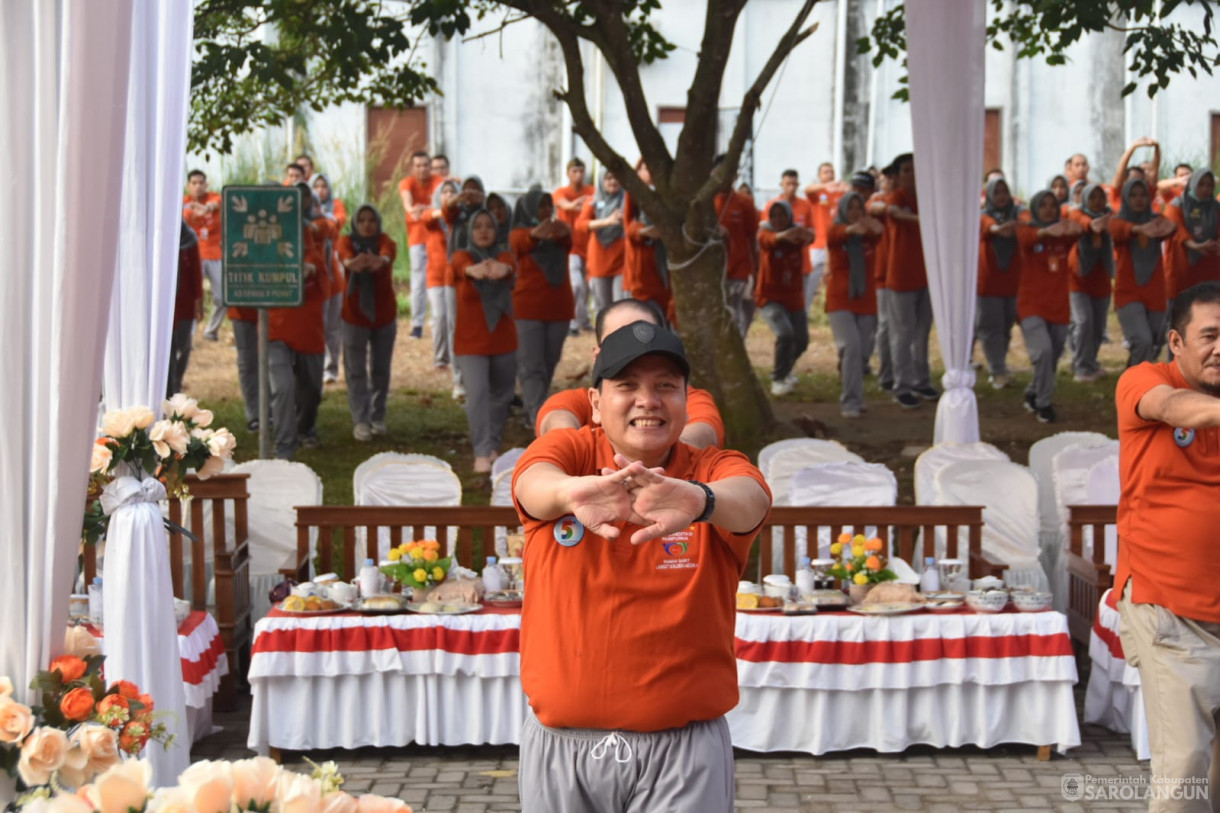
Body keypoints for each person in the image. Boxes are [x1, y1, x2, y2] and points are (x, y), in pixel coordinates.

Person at [511, 320, 771, 813]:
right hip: (563, 746)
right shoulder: (570, 453)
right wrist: (571, 492)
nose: (647, 400)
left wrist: (700, 500)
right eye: (627, 385)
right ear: (593, 403)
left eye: (664, 386)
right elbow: (533, 482)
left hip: (683, 750)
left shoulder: (714, 467)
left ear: (686, 398)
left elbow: (752, 500)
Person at [1114, 281, 1220, 809]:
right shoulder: (1143, 380)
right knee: (1185, 772)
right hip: (1169, 610)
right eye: (1210, 336)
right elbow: (1177, 407)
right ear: (1176, 341)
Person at [536, 298, 724, 449]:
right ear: (597, 355)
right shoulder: (577, 402)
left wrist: (659, 456)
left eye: (644, 339)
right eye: (618, 343)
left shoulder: (690, 399)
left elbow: (705, 431)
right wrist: (571, 451)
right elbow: (555, 423)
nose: (647, 401)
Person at [267, 184, 331, 459]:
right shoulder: (262, 242)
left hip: (308, 327)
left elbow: (321, 272)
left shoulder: (309, 238)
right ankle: (284, 447)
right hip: (274, 328)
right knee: (283, 387)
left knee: (312, 389)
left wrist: (311, 269)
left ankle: (305, 429)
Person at [452, 209, 517, 473]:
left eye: (488, 226)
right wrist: (474, 269)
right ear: (470, 231)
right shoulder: (461, 256)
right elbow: (460, 268)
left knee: (502, 395)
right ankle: (481, 451)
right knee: (477, 394)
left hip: (503, 339)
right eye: (477, 226)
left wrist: (498, 268)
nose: (483, 231)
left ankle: (492, 444)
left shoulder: (504, 254)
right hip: (470, 343)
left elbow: (509, 268)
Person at [1016, 190, 1082, 423]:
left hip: (1059, 307)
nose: (1048, 209)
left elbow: (1079, 228)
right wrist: (1046, 231)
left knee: (1051, 357)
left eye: (1052, 205)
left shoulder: (1062, 235)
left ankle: (1033, 391)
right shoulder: (1026, 230)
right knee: (1043, 352)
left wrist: (1073, 223)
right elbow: (1027, 237)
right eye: (1043, 205)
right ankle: (1044, 404)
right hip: (1031, 306)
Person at [511, 187, 574, 430]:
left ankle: (534, 407)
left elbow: (568, 238)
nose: (546, 211)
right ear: (529, 209)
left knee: (549, 362)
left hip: (559, 310)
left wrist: (557, 231)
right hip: (527, 311)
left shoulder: (560, 233)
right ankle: (536, 417)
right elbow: (519, 242)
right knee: (530, 365)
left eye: (549, 205)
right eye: (541, 206)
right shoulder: (518, 234)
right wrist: (536, 234)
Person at [337, 205, 398, 441]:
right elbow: (347, 260)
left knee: (381, 368)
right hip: (353, 315)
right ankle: (360, 419)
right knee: (356, 370)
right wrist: (356, 262)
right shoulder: (346, 241)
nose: (366, 224)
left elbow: (385, 256)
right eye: (361, 220)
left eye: (371, 219)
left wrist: (377, 261)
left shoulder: (386, 241)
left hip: (384, 315)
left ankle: (377, 415)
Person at [884, 153, 939, 408]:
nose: (913, 175)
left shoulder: (929, 198)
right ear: (898, 175)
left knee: (922, 331)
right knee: (903, 333)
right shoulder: (896, 198)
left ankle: (921, 380)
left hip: (926, 275)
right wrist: (923, 220)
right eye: (907, 170)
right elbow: (893, 212)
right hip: (901, 277)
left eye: (916, 170)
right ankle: (901, 385)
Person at [825, 192, 883, 418]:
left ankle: (855, 391)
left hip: (865, 300)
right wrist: (857, 228)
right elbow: (842, 233)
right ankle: (850, 401)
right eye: (851, 208)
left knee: (862, 352)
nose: (855, 213)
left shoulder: (868, 235)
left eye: (859, 208)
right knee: (851, 346)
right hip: (840, 300)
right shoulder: (835, 230)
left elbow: (879, 231)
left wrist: (875, 228)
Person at [1109, 177, 1177, 366]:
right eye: (1133, 195)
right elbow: (1118, 230)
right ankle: (1137, 389)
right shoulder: (1118, 221)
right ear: (1125, 198)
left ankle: (1131, 377)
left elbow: (1171, 228)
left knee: (1154, 342)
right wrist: (1140, 228)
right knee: (1143, 341)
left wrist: (1160, 226)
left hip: (1155, 292)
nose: (1138, 199)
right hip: (1128, 293)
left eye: (1142, 195)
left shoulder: (1156, 220)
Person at [756, 200, 813, 396]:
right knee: (785, 333)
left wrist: (806, 234)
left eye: (782, 216)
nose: (778, 220)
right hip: (769, 297)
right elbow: (768, 240)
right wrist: (784, 235)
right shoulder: (766, 234)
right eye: (774, 216)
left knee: (802, 340)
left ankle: (786, 369)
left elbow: (810, 236)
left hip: (794, 296)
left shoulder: (797, 235)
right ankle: (778, 378)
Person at [1065, 183, 1116, 382]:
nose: (1096, 201)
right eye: (1092, 197)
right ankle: (1081, 367)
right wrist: (1094, 224)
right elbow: (1083, 221)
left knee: (1097, 326)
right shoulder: (1076, 213)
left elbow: (1118, 223)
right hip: (1077, 279)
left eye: (1100, 197)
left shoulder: (1111, 215)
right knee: (1083, 322)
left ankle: (1089, 362)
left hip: (1101, 281)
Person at [977, 178, 1023, 389]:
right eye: (997, 193)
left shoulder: (1018, 215)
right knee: (991, 327)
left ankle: (999, 364)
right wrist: (1001, 229)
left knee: (1006, 327)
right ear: (989, 196)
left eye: (1005, 191)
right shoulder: (984, 216)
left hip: (1012, 283)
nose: (1002, 196)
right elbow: (991, 227)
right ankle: (997, 370)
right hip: (988, 285)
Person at [398, 151, 441, 340]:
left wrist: (423, 209)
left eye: (425, 165)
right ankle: (417, 324)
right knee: (418, 280)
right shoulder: (407, 183)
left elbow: (440, 202)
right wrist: (415, 209)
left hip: (437, 237)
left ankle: (437, 319)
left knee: (438, 278)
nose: (422, 169)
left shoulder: (438, 180)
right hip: (417, 237)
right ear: (412, 168)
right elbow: (408, 204)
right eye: (418, 165)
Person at [1165, 169, 1220, 315]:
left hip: (1209, 267)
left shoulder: (1216, 207)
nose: (1205, 189)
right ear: (1192, 184)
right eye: (1201, 184)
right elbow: (1176, 228)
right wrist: (1194, 245)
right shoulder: (1177, 204)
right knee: (1178, 314)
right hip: (1182, 267)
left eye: (1209, 185)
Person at [312, 173, 347, 384]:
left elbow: (336, 224)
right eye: (315, 186)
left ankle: (331, 367)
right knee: (317, 323)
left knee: (333, 325)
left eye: (324, 186)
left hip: (332, 273)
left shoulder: (336, 207)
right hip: (313, 277)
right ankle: (318, 364)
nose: (320, 190)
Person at [182, 170, 225, 341]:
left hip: (215, 254)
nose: (198, 186)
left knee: (222, 297)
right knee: (192, 298)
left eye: (201, 183)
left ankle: (211, 330)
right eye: (194, 183)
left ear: (206, 185)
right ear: (188, 186)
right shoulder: (184, 202)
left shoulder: (215, 197)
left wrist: (206, 208)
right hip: (193, 256)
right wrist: (197, 211)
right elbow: (186, 216)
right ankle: (189, 334)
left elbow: (216, 204)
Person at [554, 158, 595, 335]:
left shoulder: (591, 191)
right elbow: (562, 203)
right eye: (574, 171)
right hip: (570, 248)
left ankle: (584, 320)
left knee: (587, 288)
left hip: (590, 246)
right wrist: (575, 204)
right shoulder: (561, 192)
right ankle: (571, 322)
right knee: (576, 285)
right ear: (568, 174)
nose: (578, 175)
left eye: (581, 171)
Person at [578, 170, 627, 316]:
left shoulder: (628, 200)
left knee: (621, 306)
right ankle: (605, 338)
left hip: (622, 261)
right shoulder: (593, 201)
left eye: (616, 177)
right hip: (599, 261)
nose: (613, 181)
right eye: (608, 178)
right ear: (601, 181)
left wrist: (625, 220)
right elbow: (580, 225)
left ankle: (621, 338)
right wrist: (607, 221)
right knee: (604, 309)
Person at [767, 169, 817, 310]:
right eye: (788, 183)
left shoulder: (805, 205)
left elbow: (811, 231)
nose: (791, 187)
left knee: (801, 305)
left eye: (794, 184)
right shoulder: (772, 205)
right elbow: (766, 233)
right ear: (781, 184)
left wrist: (804, 236)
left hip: (801, 263)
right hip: (778, 264)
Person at [167, 221, 203, 398]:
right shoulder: (161, 237)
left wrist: (199, 300)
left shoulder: (189, 237)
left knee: (183, 345)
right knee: (169, 350)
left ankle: (177, 380)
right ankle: (172, 387)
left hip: (185, 303)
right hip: (168, 306)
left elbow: (196, 271)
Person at [426, 180, 459, 372]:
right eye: (444, 192)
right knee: (439, 316)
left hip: (455, 275)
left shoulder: (461, 218)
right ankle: (440, 358)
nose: (448, 195)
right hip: (436, 276)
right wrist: (450, 208)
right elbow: (432, 216)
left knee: (454, 319)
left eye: (452, 191)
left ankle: (455, 357)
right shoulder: (431, 215)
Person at [806, 162, 848, 309]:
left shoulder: (840, 192)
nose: (830, 175)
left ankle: (835, 307)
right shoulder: (817, 193)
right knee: (812, 279)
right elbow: (807, 189)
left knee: (836, 277)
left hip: (836, 243)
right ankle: (805, 310)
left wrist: (845, 187)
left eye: (831, 171)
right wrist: (826, 186)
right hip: (818, 244)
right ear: (819, 176)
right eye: (826, 172)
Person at [870, 165, 896, 391]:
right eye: (886, 178)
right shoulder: (877, 201)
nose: (889, 182)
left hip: (906, 274)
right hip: (884, 274)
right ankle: (886, 374)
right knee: (886, 324)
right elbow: (875, 207)